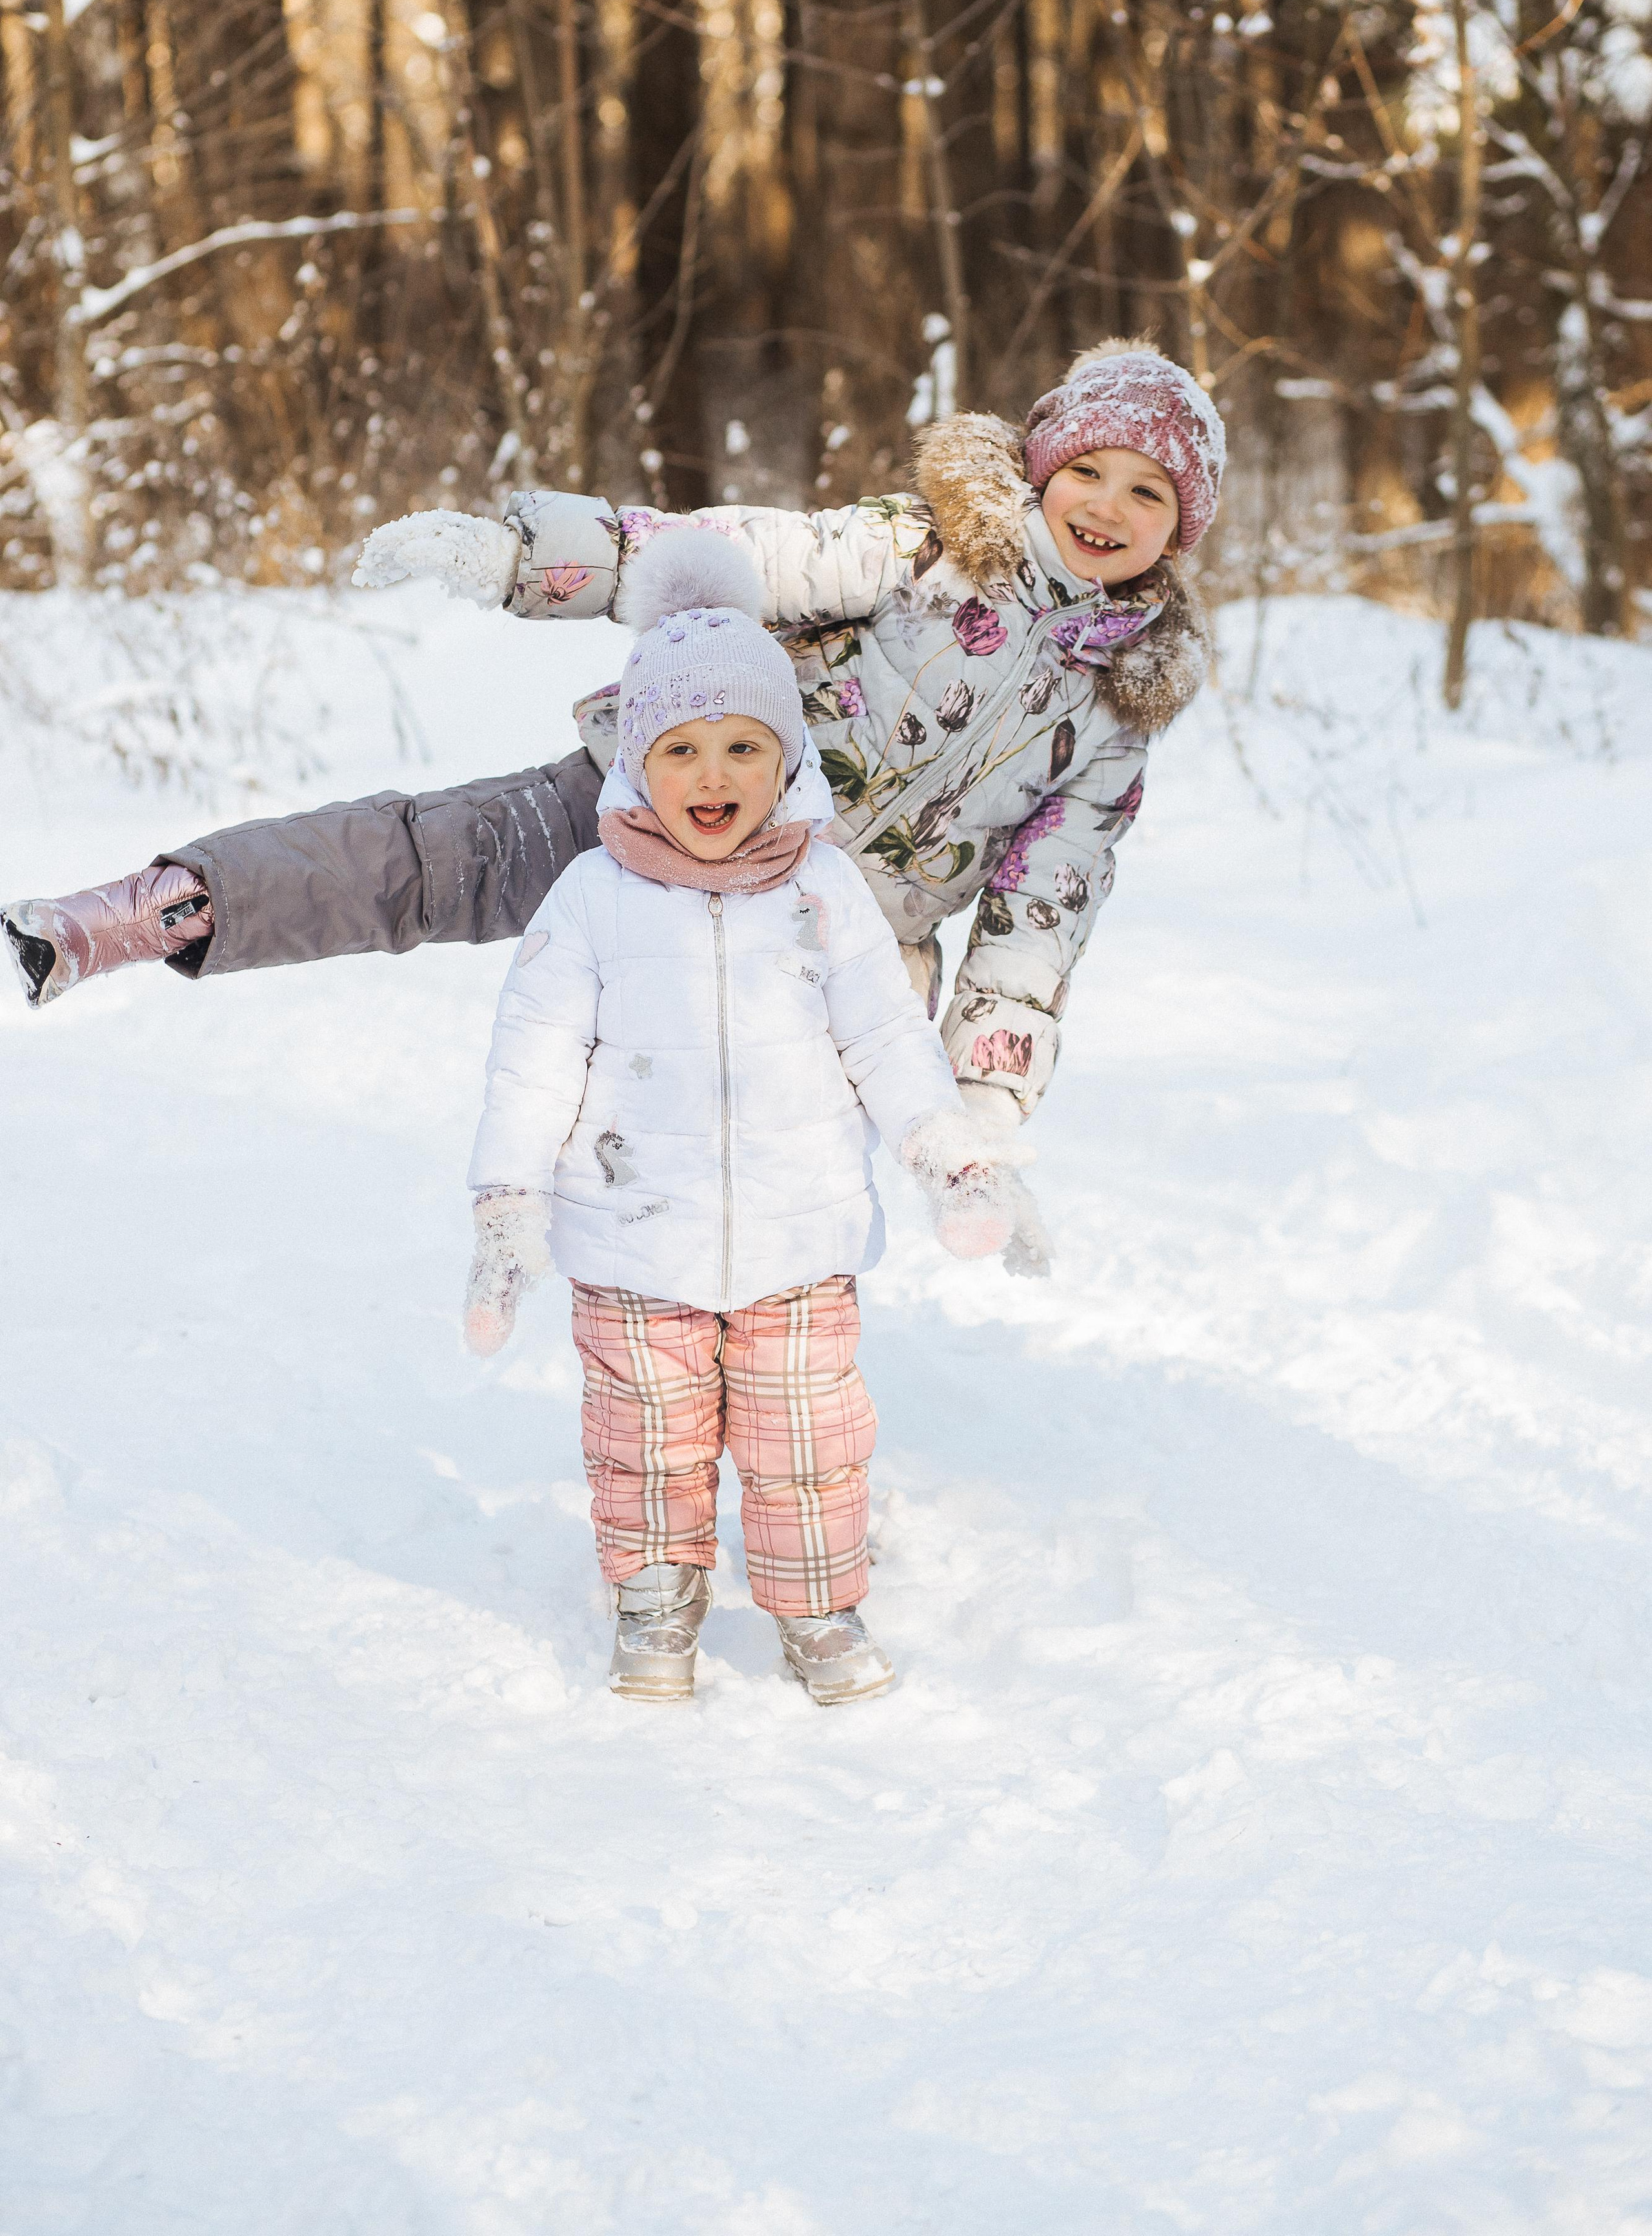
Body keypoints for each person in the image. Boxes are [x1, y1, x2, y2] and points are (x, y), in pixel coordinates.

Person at [1, 339, 1224, 1146]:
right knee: (430, 859)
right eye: (1091, 470)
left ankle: (754, 1417)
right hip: (655, 801)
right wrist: (530, 562)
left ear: (1179, 531)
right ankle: (147, 913)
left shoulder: (1119, 707)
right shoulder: (920, 548)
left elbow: (1046, 904)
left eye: (1149, 493)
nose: (1108, 507)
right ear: (1044, 465)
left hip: (828, 946)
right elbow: (733, 556)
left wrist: (990, 1088)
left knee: (759, 1189)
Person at [461, 527, 1046, 1706]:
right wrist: (507, 1205)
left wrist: (947, 1154)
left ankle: (818, 1605)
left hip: (798, 1239)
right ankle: (655, 1599)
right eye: (680, 749)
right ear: (638, 762)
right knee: (646, 1443)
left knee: (809, 1445)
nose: (712, 775)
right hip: (632, 1242)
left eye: (743, 745)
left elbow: (885, 1038)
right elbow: (532, 1062)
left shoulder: (824, 890)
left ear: (787, 758)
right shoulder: (593, 898)